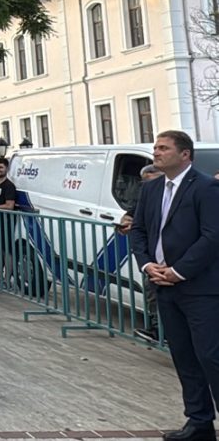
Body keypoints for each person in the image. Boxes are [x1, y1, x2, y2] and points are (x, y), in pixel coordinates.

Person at [128, 131, 219, 441]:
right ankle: (199, 421)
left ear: (185, 154)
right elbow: (138, 230)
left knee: (210, 355)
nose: (156, 152)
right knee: (183, 356)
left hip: (200, 288)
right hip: (164, 287)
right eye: (155, 147)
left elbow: (212, 236)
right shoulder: (151, 189)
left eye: (164, 148)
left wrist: (179, 271)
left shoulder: (206, 188)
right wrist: (147, 264)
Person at [117, 163, 163, 343]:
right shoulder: (147, 197)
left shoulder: (180, 194)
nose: (148, 186)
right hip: (153, 257)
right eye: (144, 183)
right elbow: (132, 215)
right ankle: (158, 329)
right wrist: (127, 223)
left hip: (175, 257)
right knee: (152, 289)